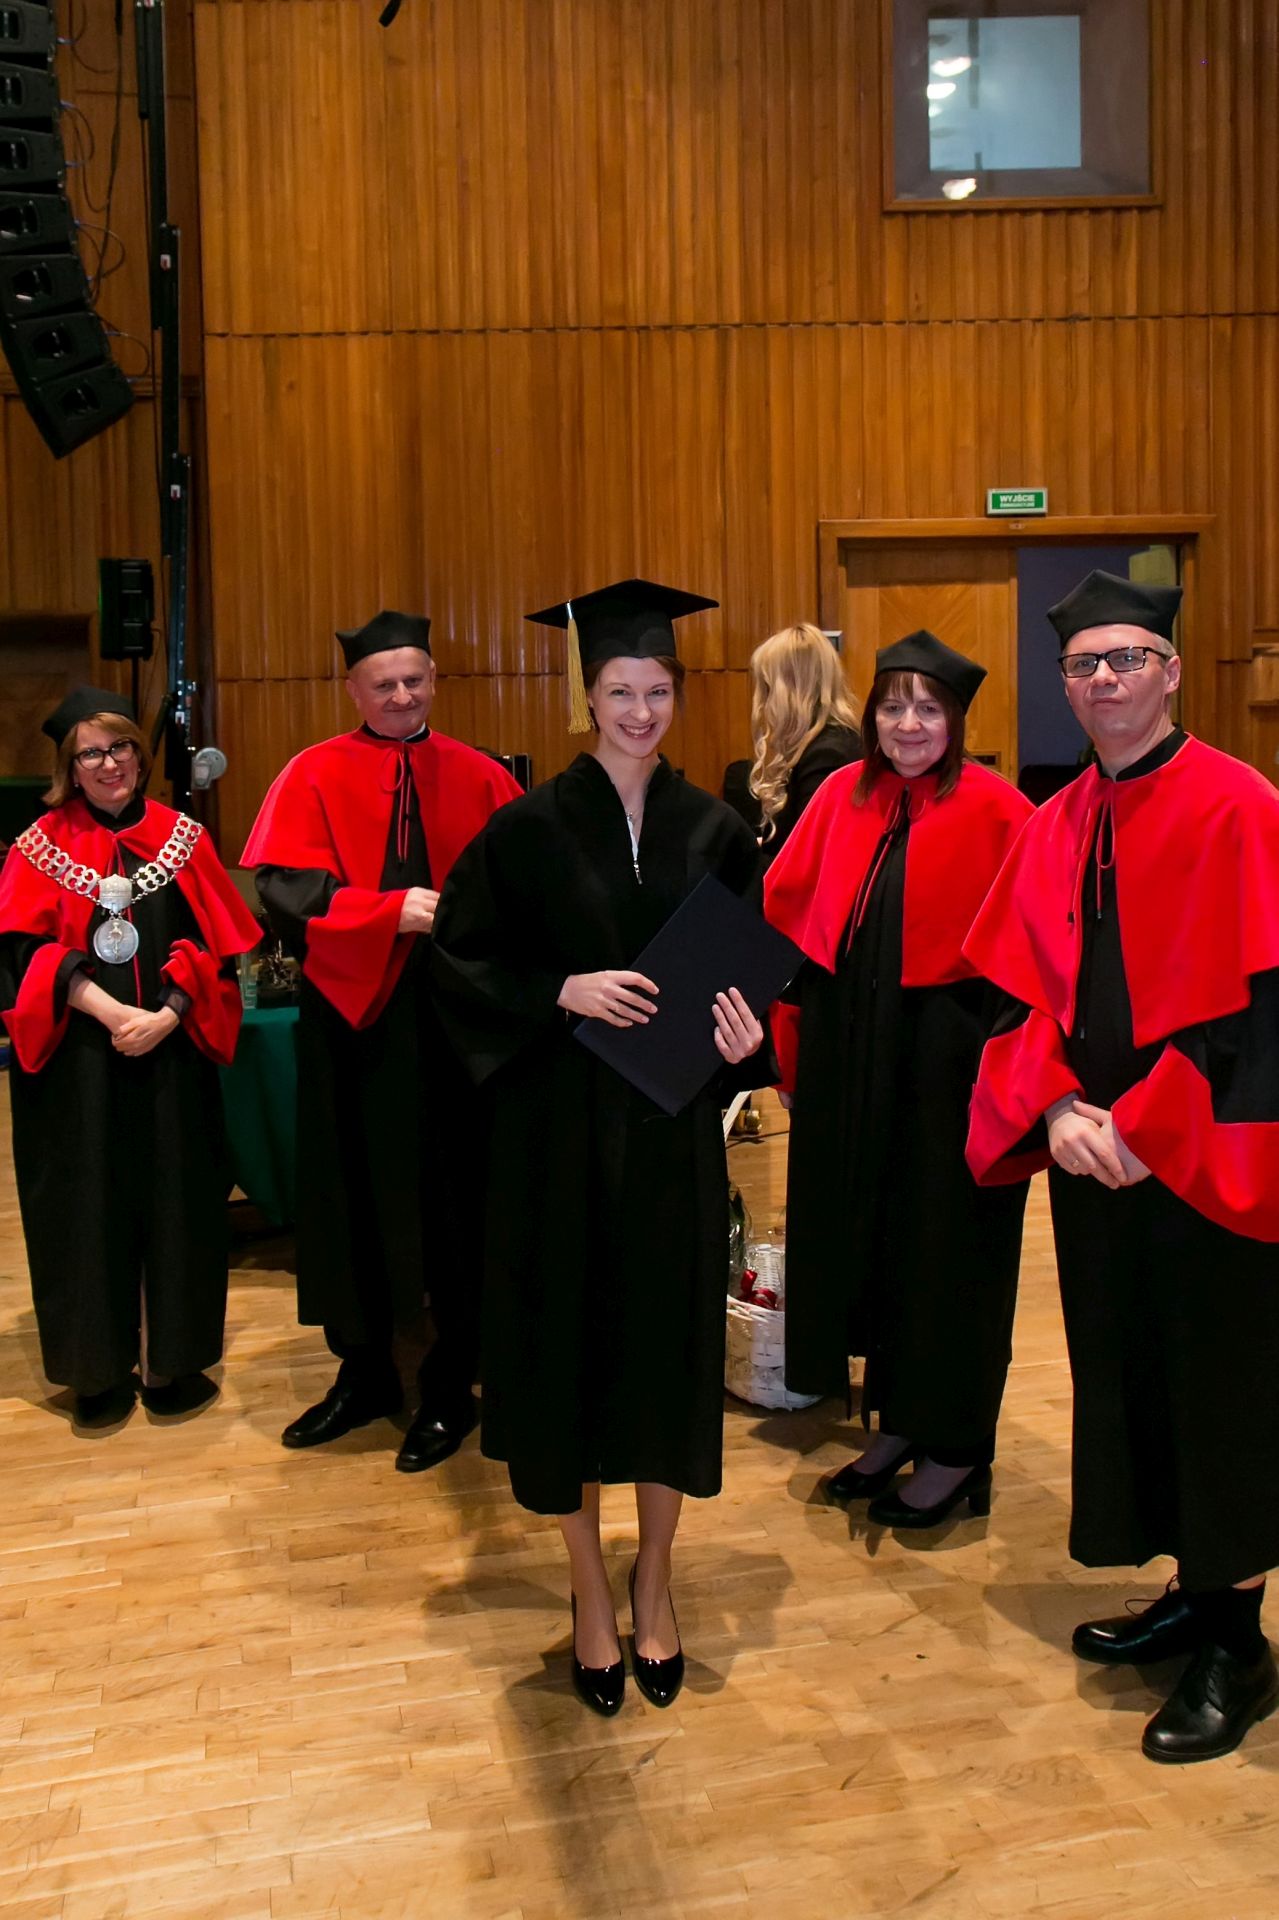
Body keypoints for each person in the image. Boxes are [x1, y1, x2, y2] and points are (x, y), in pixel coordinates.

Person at [431, 579, 765, 1715]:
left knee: (666, 1359)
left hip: (669, 1139)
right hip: (554, 1142)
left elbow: (746, 981)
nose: (639, 711)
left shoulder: (715, 831)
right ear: (587, 697)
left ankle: (653, 1580)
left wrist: (746, 1039)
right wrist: (558, 990)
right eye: (619, 691)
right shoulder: (524, 830)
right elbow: (459, 966)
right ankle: (586, 1591)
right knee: (562, 1361)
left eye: (656, 691)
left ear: (678, 695)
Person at [965, 569, 1279, 1764]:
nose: (1104, 679)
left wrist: (1144, 1126)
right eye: (1083, 663)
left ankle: (1238, 1645)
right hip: (1090, 1157)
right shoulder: (1055, 821)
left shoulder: (1240, 806)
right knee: (1128, 1373)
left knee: (1220, 1387)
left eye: (1126, 658)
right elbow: (1014, 996)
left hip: (1203, 1163)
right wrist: (1051, 1107)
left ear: (1171, 670)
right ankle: (1193, 1594)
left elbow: (1257, 1014)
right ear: (1064, 684)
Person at [764, 632, 1034, 1526]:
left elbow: (1032, 957)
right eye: (891, 706)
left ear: (955, 721)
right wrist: (791, 1051)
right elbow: (790, 923)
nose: (907, 724)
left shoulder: (999, 810)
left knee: (946, 1253)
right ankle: (896, 1421)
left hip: (951, 1066)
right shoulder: (842, 794)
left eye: (927, 708)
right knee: (875, 1243)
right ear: (870, 716)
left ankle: (957, 1448)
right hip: (854, 1055)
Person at [242, 611, 521, 1470]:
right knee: (349, 1196)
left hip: (453, 1027)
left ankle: (450, 1384)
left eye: (414, 680)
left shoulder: (480, 775)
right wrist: (385, 911)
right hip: (351, 1024)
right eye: (383, 684)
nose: (401, 696)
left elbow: (522, 892)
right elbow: (285, 892)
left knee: (455, 1204)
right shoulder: (312, 773)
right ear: (353, 689)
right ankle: (363, 1373)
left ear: (434, 679)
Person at [0, 687, 261, 1428]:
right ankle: (96, 1369)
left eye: (119, 747)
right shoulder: (38, 847)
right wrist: (114, 1014)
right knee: (84, 1206)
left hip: (173, 1053)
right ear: (70, 767)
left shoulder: (184, 839)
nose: (108, 763)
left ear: (139, 757)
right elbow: (19, 955)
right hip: (75, 1062)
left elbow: (217, 950)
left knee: (179, 1202)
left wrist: (168, 1014)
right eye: (91, 753)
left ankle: (171, 1360)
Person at [748, 622, 861, 864]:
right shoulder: (832, 741)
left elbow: (808, 863)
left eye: (767, 688)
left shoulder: (827, 756)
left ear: (791, 690)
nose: (763, 702)